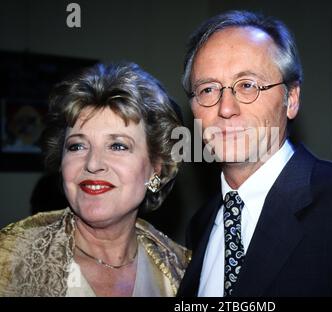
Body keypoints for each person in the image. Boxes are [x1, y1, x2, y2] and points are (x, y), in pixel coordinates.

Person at [177, 10, 332, 296]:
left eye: (247, 85)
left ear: (291, 99)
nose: (225, 108)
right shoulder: (200, 225)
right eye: (208, 89)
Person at [0, 62, 190, 297]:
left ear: (156, 169)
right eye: (77, 146)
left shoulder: (183, 273)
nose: (92, 163)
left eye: (117, 146)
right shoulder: (10, 263)